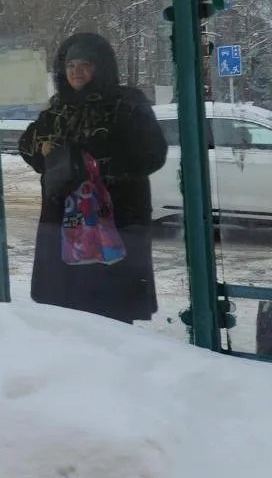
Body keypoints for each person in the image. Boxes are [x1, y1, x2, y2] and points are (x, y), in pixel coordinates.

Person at [18, 33, 168, 324]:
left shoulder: (126, 104)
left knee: (112, 313)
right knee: (66, 313)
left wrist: (94, 159)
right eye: (71, 65)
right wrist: (43, 149)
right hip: (65, 224)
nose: (76, 72)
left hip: (114, 220)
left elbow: (153, 154)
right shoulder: (58, 108)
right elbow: (28, 145)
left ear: (101, 67)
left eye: (85, 64)